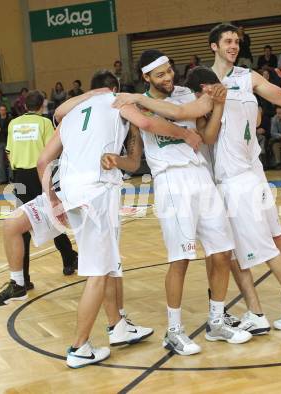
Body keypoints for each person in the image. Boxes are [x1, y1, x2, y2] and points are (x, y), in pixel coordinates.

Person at [113, 24, 281, 332]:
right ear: (214, 46)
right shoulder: (203, 84)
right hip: (225, 176)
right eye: (228, 41)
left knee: (261, 244)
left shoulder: (241, 80)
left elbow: (197, 120)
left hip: (240, 175)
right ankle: (251, 311)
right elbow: (204, 125)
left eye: (237, 41)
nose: (234, 45)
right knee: (225, 248)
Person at [0, 70, 198, 367]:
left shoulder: (70, 113)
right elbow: (149, 123)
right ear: (114, 89)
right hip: (95, 194)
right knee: (100, 272)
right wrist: (185, 133)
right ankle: (79, 348)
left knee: (105, 262)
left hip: (65, 191)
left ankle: (116, 325)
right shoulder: (117, 101)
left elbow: (42, 160)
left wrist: (53, 200)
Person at [116, 50, 253, 355]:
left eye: (169, 71)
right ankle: (173, 331)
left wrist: (217, 106)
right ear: (146, 77)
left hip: (200, 176)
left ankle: (216, 322)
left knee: (221, 252)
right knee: (181, 258)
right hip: (171, 181)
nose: (168, 78)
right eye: (160, 74)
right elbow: (152, 127)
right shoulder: (134, 104)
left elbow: (207, 136)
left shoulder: (185, 95)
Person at [0, 90, 78, 286]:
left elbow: (8, 153)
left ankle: (23, 278)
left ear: (24, 106)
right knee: (53, 216)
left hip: (19, 177)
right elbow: (53, 150)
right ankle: (68, 260)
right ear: (42, 105)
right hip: (40, 175)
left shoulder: (13, 123)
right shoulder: (45, 123)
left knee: (21, 227)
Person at [0, 104, 12, 184]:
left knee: (10, 162)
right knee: (0, 163)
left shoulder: (10, 119)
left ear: (6, 111)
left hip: (8, 142)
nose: (2, 111)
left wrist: (0, 129)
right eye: (1, 110)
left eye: (4, 110)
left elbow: (9, 131)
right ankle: (2, 179)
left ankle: (11, 179)